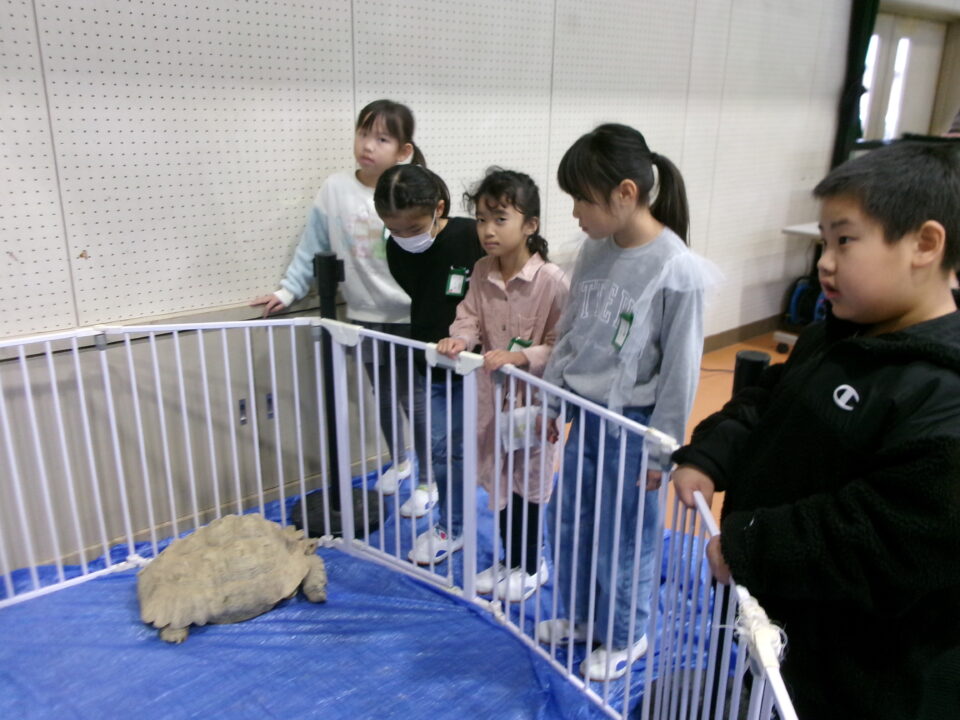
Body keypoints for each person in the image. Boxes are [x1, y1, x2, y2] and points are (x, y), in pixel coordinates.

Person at [672, 141, 960, 720]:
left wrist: (752, 545)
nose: (825, 262)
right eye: (824, 241)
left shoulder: (942, 395)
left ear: (925, 245)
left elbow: (880, 537)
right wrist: (709, 455)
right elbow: (766, 401)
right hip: (786, 632)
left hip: (866, 673)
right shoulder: (833, 333)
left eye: (844, 240)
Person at [537, 124, 706, 681]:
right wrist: (553, 402)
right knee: (571, 523)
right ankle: (583, 616)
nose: (576, 213)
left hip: (633, 429)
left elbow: (680, 371)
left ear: (625, 194)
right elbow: (572, 332)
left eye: (583, 199)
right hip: (585, 419)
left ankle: (627, 633)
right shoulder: (593, 249)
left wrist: (662, 450)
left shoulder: (675, 267)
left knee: (624, 536)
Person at [252, 99, 423, 497]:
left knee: (414, 398)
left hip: (411, 317)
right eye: (363, 133)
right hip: (365, 314)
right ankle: (400, 462)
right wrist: (288, 289)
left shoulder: (411, 189)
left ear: (403, 151)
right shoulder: (335, 189)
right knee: (383, 395)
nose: (368, 145)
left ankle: (429, 478)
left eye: (382, 139)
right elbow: (313, 244)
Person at [436, 168, 569, 599]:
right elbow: (469, 315)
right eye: (480, 219)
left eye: (499, 219)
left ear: (530, 225)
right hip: (493, 401)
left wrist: (521, 357)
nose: (487, 230)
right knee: (502, 481)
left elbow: (562, 346)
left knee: (529, 483)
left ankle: (532, 565)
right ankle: (511, 560)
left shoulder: (553, 282)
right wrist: (460, 338)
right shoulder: (481, 270)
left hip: (534, 405)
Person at [373, 165, 484, 530]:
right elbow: (420, 296)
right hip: (431, 358)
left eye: (414, 228)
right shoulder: (396, 250)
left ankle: (465, 520)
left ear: (438, 209)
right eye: (394, 229)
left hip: (477, 360)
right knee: (441, 445)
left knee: (477, 447)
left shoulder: (470, 236)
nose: (405, 237)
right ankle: (448, 517)